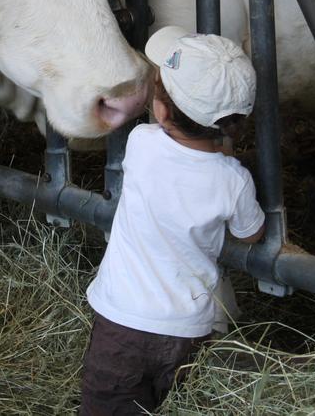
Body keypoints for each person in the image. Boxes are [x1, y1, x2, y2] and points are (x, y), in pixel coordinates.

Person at [80, 26, 267, 415]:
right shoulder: (234, 180)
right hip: (188, 331)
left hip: (122, 325)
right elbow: (251, 234)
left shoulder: (141, 144)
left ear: (161, 110)